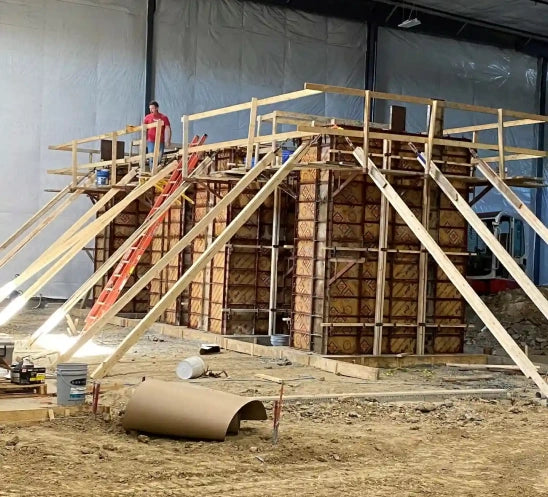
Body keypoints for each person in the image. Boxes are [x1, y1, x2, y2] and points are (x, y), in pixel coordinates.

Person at [143, 100, 171, 165]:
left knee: (159, 157)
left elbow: (167, 128)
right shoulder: (147, 118)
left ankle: (158, 171)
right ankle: (152, 172)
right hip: (151, 141)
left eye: (152, 108)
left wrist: (167, 140)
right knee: (151, 157)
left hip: (160, 141)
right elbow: (144, 129)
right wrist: (144, 139)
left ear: (157, 108)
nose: (151, 110)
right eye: (150, 108)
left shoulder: (163, 117)